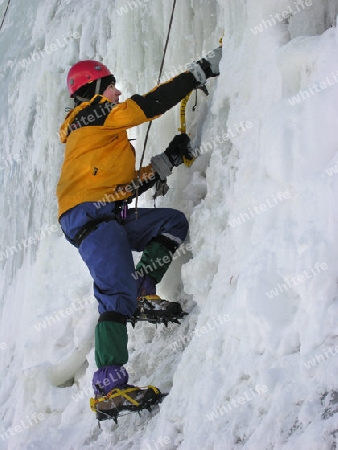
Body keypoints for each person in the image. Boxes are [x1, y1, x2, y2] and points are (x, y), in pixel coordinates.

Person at [56, 47, 222, 420]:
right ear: (94, 88)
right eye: (111, 86)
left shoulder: (101, 138)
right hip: (89, 218)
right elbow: (145, 106)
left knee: (171, 223)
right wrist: (199, 72)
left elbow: (123, 187)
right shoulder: (90, 114)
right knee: (115, 295)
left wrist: (167, 160)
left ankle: (144, 293)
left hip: (108, 212)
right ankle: (107, 388)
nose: (116, 92)